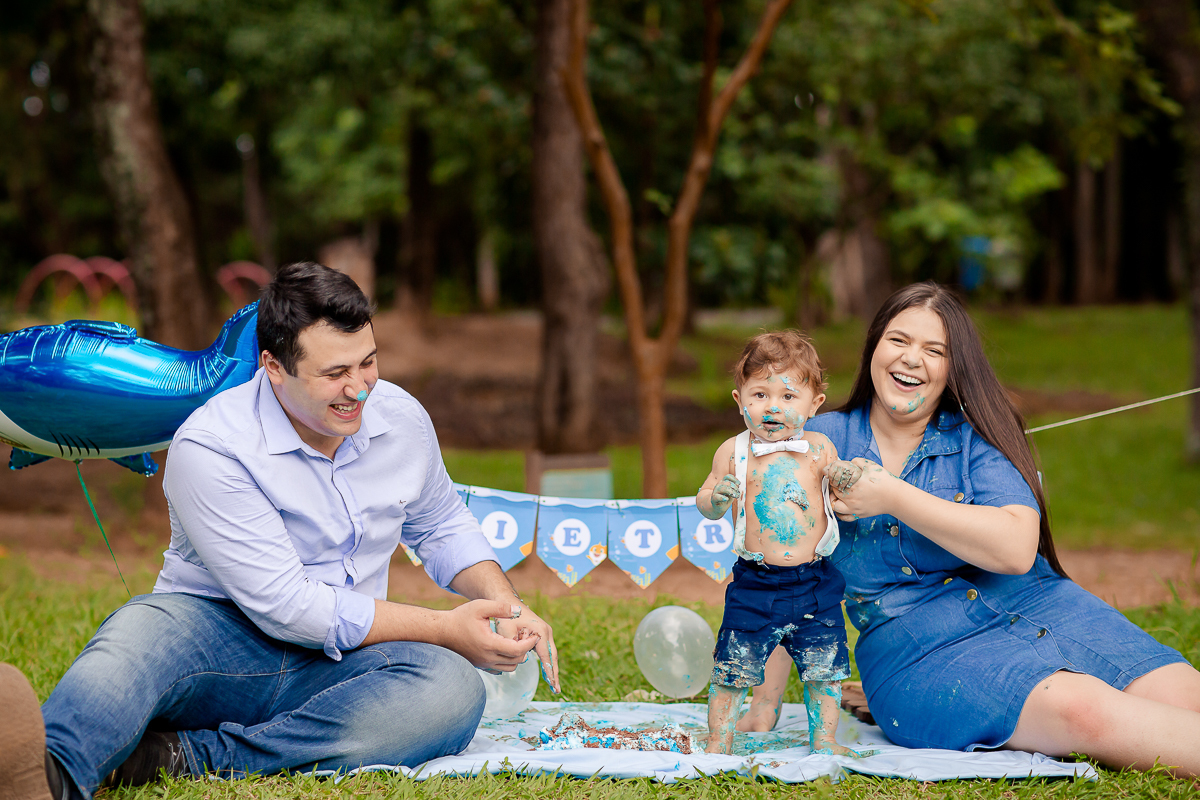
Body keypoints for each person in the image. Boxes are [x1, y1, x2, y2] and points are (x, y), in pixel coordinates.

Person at [1, 262, 560, 800]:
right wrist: (444, 627)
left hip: (344, 658)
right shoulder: (210, 445)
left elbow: (440, 523)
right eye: (334, 374)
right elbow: (288, 604)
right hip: (213, 640)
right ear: (273, 367)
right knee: (137, 639)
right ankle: (47, 772)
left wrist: (506, 604)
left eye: (368, 363)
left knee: (450, 689)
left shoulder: (402, 417)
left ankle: (181, 755)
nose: (360, 389)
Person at [740, 281, 1200, 775]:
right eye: (898, 340)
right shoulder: (814, 443)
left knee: (1184, 693)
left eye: (934, 350)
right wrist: (764, 704)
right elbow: (782, 570)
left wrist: (892, 497)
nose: (911, 358)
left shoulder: (978, 437)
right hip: (917, 650)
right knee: (1083, 708)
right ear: (874, 347)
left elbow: (1017, 550)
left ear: (953, 368)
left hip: (1037, 600)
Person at [696, 331, 861, 756]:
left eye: (788, 396)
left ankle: (825, 739)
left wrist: (843, 477)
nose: (773, 406)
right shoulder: (732, 451)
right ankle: (720, 739)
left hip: (815, 581)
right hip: (756, 582)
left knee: (825, 668)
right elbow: (705, 498)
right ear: (740, 400)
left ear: (814, 404)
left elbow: (840, 490)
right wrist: (716, 499)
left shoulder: (820, 448)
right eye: (760, 395)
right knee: (733, 665)